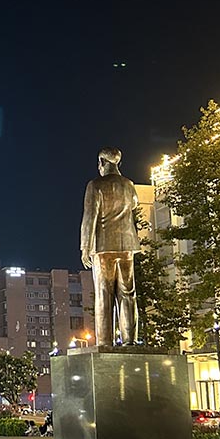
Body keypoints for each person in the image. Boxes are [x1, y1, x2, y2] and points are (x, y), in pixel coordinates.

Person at [80, 147, 139, 346]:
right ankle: (130, 339)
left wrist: (85, 247)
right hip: (127, 246)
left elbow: (89, 218)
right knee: (128, 294)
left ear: (102, 162)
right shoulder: (128, 185)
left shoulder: (96, 185)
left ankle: (105, 342)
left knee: (104, 294)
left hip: (103, 247)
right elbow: (134, 204)